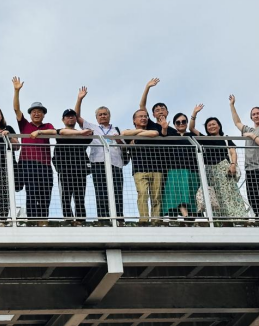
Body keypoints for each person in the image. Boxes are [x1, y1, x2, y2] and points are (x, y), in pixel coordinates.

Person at [74, 86, 138, 220]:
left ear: (109, 116)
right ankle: (103, 219)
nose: (103, 116)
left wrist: (118, 140)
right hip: (98, 163)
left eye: (105, 114)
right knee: (101, 192)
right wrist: (79, 99)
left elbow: (124, 147)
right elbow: (77, 117)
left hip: (115, 164)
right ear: (96, 117)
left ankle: (119, 219)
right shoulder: (92, 127)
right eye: (100, 114)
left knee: (117, 192)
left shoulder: (117, 130)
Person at [32, 109, 93, 220]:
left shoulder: (84, 133)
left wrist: (81, 132)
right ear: (63, 120)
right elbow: (58, 132)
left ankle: (80, 221)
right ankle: (69, 220)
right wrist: (39, 131)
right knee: (65, 198)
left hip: (80, 170)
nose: (70, 118)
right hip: (65, 170)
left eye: (73, 116)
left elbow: (90, 133)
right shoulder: (62, 132)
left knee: (80, 198)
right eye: (68, 116)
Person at [189, 105, 247, 218]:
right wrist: (194, 113)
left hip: (224, 168)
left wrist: (233, 164)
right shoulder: (205, 139)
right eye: (209, 125)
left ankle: (240, 218)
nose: (212, 126)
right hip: (210, 171)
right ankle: (220, 221)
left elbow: (233, 152)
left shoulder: (225, 138)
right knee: (214, 196)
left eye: (214, 124)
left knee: (230, 193)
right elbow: (191, 128)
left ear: (219, 126)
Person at [12, 76, 55, 219]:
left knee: (46, 193)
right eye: (34, 111)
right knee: (31, 192)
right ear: (30, 114)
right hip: (27, 163)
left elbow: (54, 132)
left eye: (39, 111)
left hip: (44, 164)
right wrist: (16, 91)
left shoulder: (47, 125)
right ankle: (32, 220)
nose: (36, 113)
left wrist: (40, 132)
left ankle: (43, 220)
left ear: (43, 114)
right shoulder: (25, 124)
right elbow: (16, 109)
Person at [229, 95, 259, 219]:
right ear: (251, 117)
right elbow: (237, 123)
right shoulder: (249, 129)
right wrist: (232, 105)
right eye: (253, 114)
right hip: (250, 169)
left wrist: (252, 136)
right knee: (253, 199)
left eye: (258, 113)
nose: (256, 116)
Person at [161, 112, 200, 218]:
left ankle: (190, 219)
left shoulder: (192, 136)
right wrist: (164, 128)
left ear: (186, 123)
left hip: (192, 169)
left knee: (191, 194)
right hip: (175, 169)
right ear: (174, 125)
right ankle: (184, 214)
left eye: (183, 121)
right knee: (177, 194)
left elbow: (196, 132)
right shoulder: (171, 135)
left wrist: (194, 114)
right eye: (178, 122)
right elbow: (163, 135)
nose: (181, 123)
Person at [127, 110, 162, 224]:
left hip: (156, 168)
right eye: (140, 116)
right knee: (142, 194)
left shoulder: (153, 129)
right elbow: (123, 133)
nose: (143, 118)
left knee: (156, 196)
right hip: (139, 169)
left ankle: (156, 220)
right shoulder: (129, 132)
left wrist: (137, 134)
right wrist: (139, 132)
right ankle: (144, 220)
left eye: (145, 116)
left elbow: (155, 133)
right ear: (134, 120)